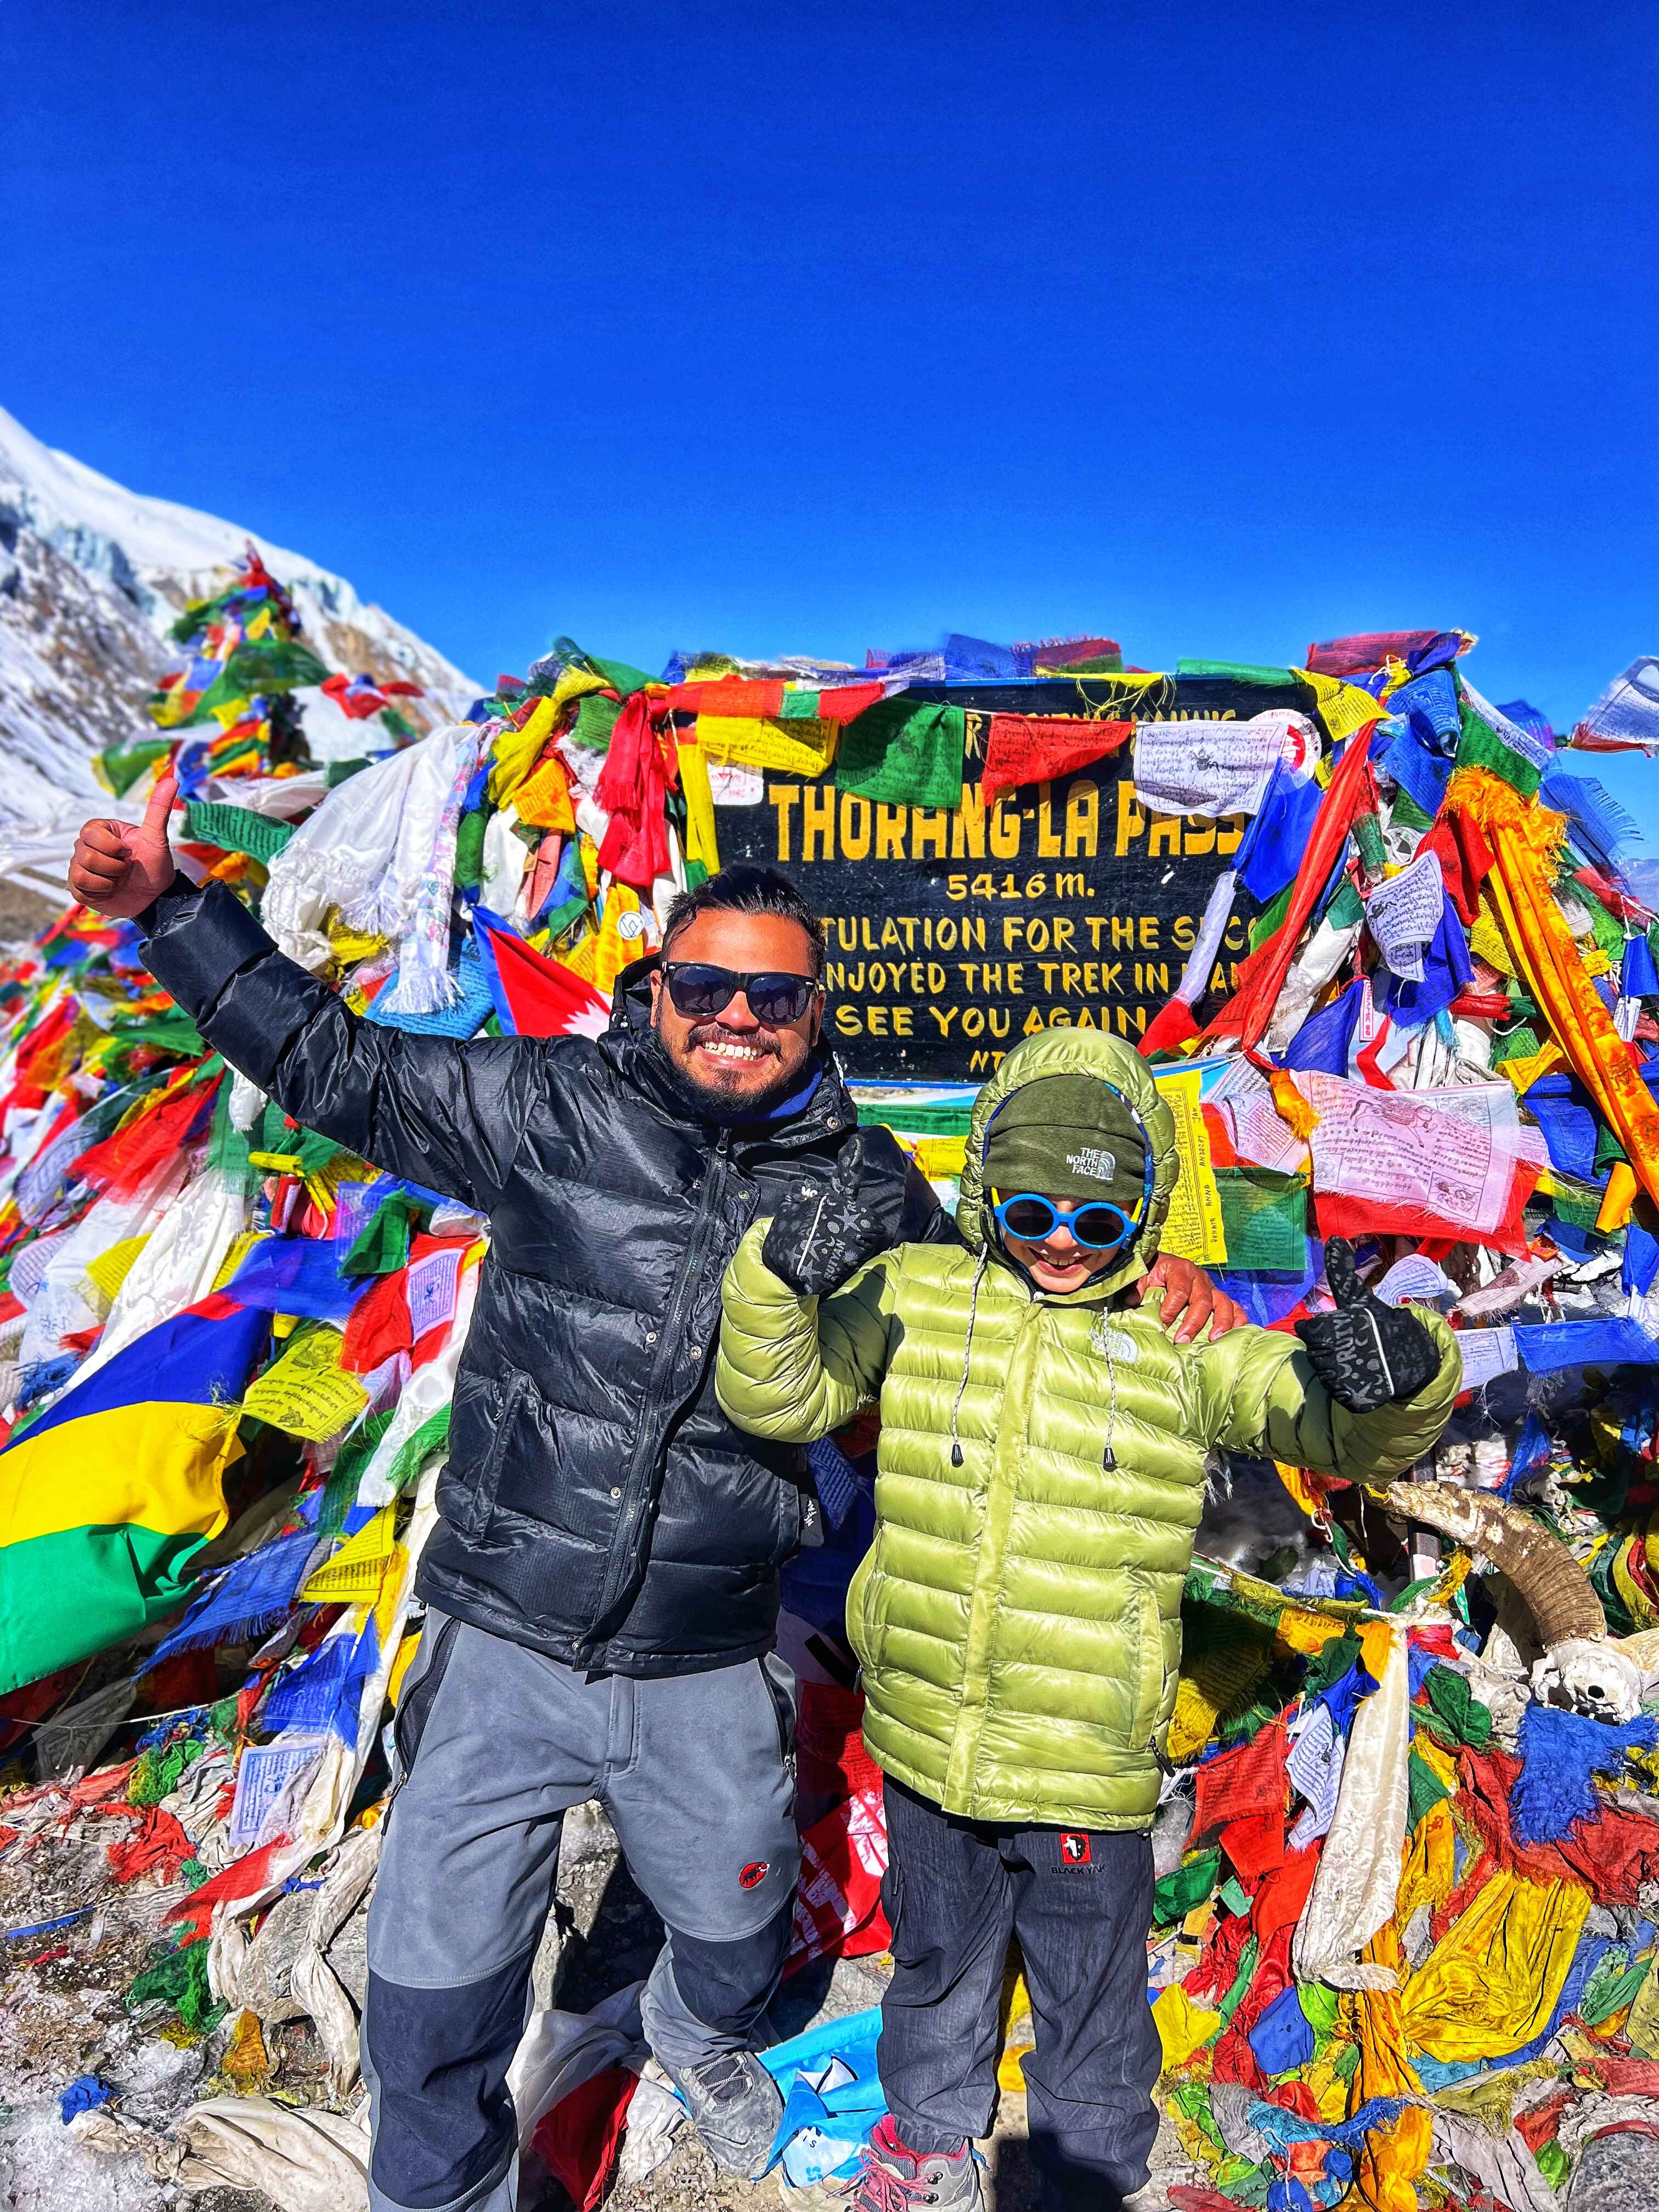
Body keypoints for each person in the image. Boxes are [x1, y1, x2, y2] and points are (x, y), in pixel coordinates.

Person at [66, 774, 1239, 2210]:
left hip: (708, 1660)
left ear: (817, 1019)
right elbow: (336, 1065)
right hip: (501, 1637)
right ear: (661, 989)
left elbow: (1005, 1320)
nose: (736, 1017)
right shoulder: (547, 1108)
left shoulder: (866, 1190)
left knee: (740, 1951)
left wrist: (1149, 1284)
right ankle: (444, 2194)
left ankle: (692, 2036)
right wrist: (172, 914)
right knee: (436, 2003)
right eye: (706, 986)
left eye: (774, 1000)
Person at [715, 1027, 1463, 2212]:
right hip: (925, 1735)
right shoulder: (912, 1294)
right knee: (936, 1961)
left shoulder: (1183, 1342)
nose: (1062, 1242)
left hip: (1084, 1756)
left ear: (1145, 1212)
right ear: (985, 1189)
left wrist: (1405, 1382)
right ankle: (930, 2132)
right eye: (1031, 1210)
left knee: (1090, 1988)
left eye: (1100, 1222)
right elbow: (780, 1391)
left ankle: (1085, 2168)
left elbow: (1326, 1428)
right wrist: (776, 1283)